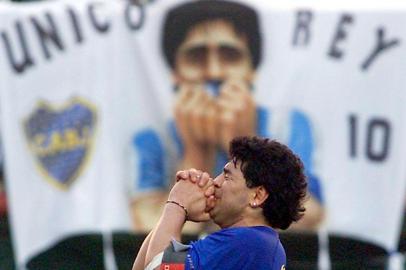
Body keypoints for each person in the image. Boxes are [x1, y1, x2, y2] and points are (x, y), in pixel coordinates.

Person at [131, 0, 323, 232]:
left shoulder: (288, 126)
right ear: (175, 72)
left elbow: (307, 219)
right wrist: (196, 155)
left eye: (230, 56)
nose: (214, 72)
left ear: (251, 71)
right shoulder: (152, 140)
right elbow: (150, 234)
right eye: (196, 57)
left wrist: (248, 151)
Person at [132, 136, 307, 270]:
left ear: (258, 195)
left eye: (227, 176)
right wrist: (177, 210)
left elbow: (159, 267)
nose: (215, 181)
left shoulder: (248, 242)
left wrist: (177, 204)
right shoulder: (255, 244)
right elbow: (145, 266)